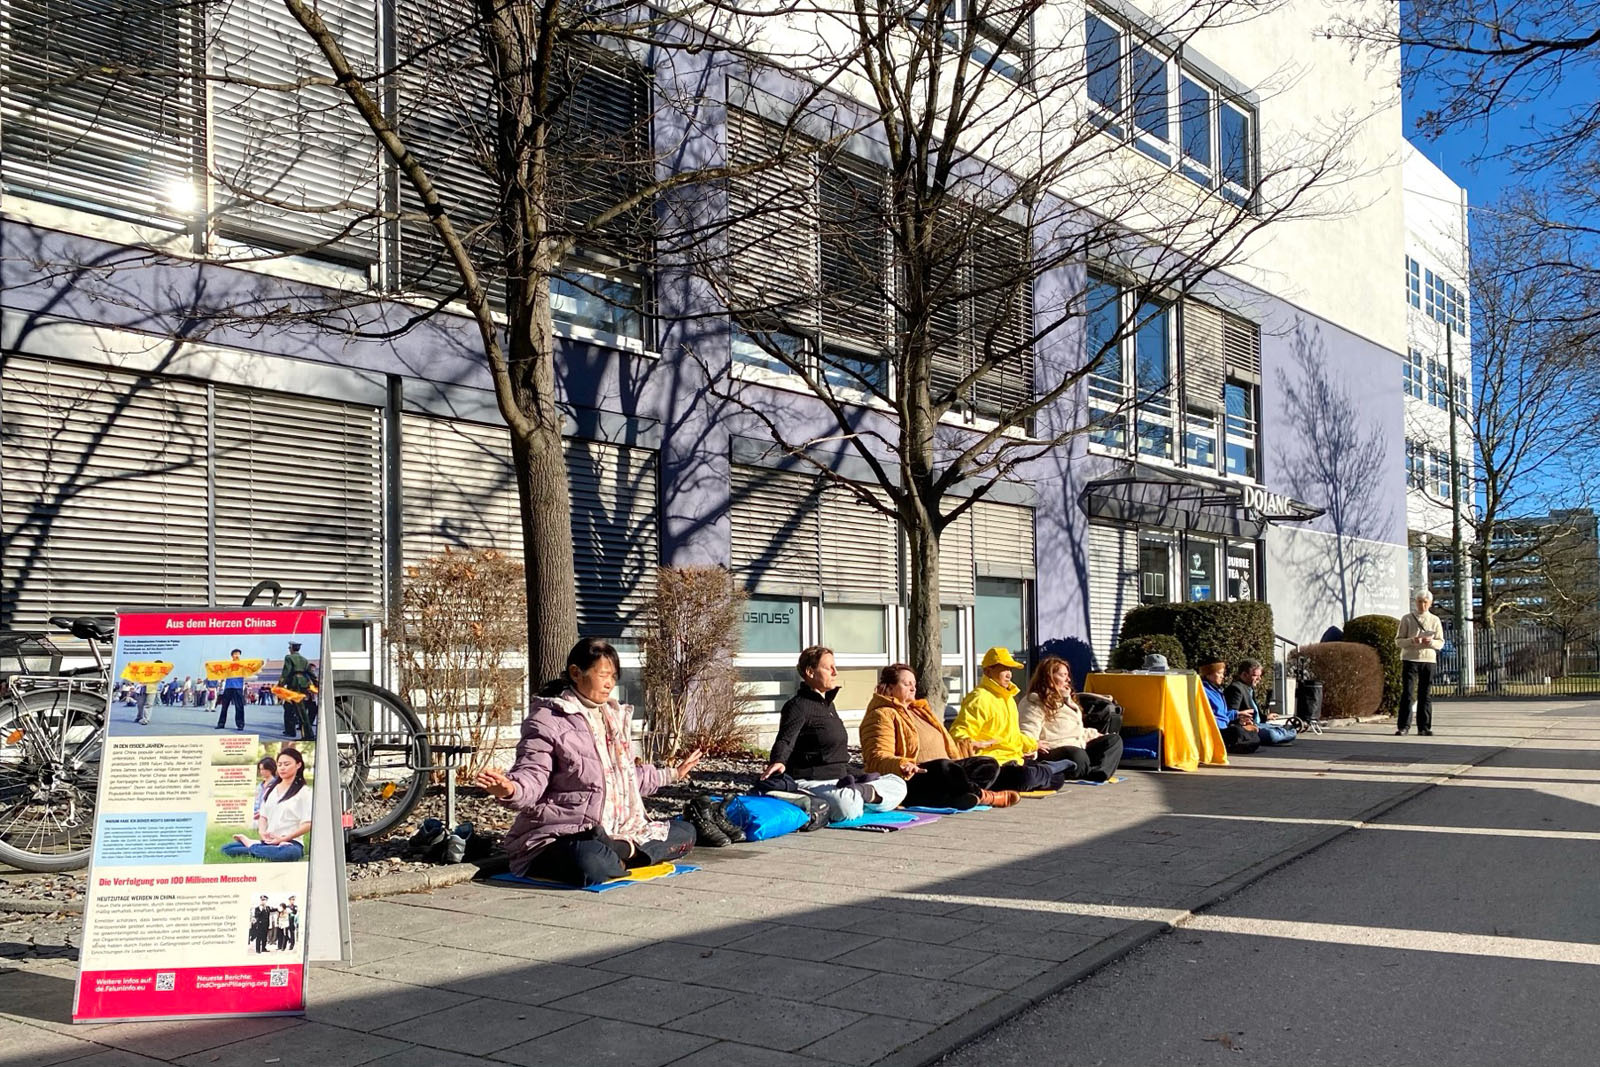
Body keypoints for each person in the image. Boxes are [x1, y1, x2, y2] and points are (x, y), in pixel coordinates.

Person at [478, 638, 704, 887]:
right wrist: (510, 789)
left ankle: (621, 850)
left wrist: (673, 774)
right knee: (591, 862)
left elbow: (626, 778)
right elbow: (533, 773)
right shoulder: (547, 720)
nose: (610, 684)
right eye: (603, 675)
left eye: (613, 677)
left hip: (618, 829)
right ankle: (621, 854)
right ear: (576, 673)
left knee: (686, 833)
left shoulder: (613, 716)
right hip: (564, 833)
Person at [763, 646, 907, 822]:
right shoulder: (797, 706)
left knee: (898, 784)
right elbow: (785, 739)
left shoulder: (829, 705)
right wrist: (778, 760)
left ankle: (860, 792)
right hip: (811, 781)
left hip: (843, 778)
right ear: (810, 672)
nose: (835, 672)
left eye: (834, 667)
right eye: (828, 668)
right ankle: (861, 797)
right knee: (847, 806)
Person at [859, 663, 1018, 809]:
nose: (913, 689)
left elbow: (946, 748)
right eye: (907, 684)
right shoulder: (881, 715)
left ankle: (956, 797)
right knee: (943, 767)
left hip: (945, 772)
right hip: (913, 777)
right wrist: (901, 764)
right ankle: (985, 796)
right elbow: (876, 757)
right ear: (889, 688)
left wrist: (968, 746)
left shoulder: (920, 711)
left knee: (988, 764)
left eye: (914, 684)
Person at [950, 648, 1066, 792]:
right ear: (988, 671)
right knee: (1026, 777)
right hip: (993, 764)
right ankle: (1044, 771)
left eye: (1010, 669)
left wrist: (1033, 744)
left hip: (1015, 760)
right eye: (1004, 669)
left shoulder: (1009, 698)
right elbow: (959, 732)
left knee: (1058, 778)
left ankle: (1044, 771)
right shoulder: (979, 698)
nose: (1009, 674)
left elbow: (1012, 736)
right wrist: (974, 743)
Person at [1019, 656, 1124, 781]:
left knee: (1114, 740)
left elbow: (1075, 731)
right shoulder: (1034, 700)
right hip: (1052, 750)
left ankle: (1097, 773)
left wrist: (1095, 735)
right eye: (1063, 675)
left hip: (1078, 746)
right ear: (1049, 677)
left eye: (1067, 675)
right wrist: (1032, 746)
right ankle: (1084, 769)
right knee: (1077, 756)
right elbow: (1028, 727)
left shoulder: (1067, 701)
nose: (1068, 679)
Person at [223, 747, 312, 861]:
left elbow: (307, 824)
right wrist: (262, 832)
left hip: (290, 843)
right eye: (279, 765)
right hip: (270, 841)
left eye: (286, 764)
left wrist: (283, 839)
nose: (282, 768)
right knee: (227, 848)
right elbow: (263, 816)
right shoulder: (271, 789)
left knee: (289, 853)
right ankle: (260, 847)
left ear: (298, 765)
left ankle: (251, 844)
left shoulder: (304, 792)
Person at [1396, 589, 1444, 736]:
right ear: (1415, 602)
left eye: (1425, 602)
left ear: (1430, 603)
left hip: (1428, 660)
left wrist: (1431, 642)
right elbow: (1398, 641)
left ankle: (1424, 727)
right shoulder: (1407, 619)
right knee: (1408, 693)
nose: (1422, 605)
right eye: (1419, 602)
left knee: (1425, 694)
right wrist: (1412, 641)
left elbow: (1440, 642)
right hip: (1410, 659)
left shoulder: (1435, 620)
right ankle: (1403, 726)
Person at [1198, 654, 1259, 753]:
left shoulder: (1217, 691)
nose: (1222, 676)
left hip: (1225, 728)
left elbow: (1223, 714)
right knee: (1237, 732)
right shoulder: (1203, 691)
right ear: (1208, 674)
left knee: (1253, 732)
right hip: (1215, 731)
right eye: (1219, 673)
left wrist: (1239, 715)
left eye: (1223, 673)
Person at [1225, 660, 1296, 745]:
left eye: (1260, 676)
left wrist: (1266, 717)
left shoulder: (1249, 688)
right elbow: (1232, 713)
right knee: (1272, 735)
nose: (1259, 679)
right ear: (1244, 675)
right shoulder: (1236, 689)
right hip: (1248, 727)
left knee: (1290, 729)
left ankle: (1284, 733)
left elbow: (1256, 715)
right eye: (1255, 676)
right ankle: (1283, 734)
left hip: (1259, 724)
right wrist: (1243, 720)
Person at [279, 641, 318, 740]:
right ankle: (290, 730)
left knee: (300, 711)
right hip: (303, 684)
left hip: (294, 685)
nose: (289, 649)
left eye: (289, 648)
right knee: (289, 707)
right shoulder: (304, 659)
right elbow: (311, 673)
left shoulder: (289, 658)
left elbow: (286, 672)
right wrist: (317, 684)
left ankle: (308, 735)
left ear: (292, 648)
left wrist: (280, 685)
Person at [216, 648, 250, 731]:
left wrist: (259, 664)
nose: (237, 655)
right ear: (232, 656)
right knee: (224, 706)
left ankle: (240, 724)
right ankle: (221, 724)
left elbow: (251, 669)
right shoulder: (228, 665)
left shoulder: (243, 665)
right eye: (235, 654)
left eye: (238, 654)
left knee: (239, 706)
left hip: (238, 687)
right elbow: (220, 670)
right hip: (228, 687)